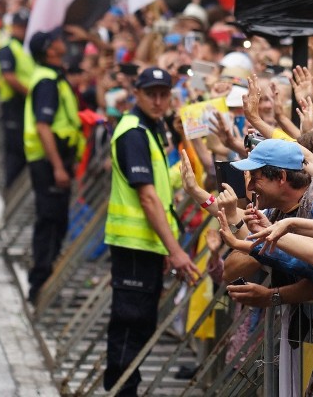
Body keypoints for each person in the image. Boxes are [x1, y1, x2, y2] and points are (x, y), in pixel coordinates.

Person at [102, 67, 200, 396]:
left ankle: (123, 388)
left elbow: (158, 185)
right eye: (151, 94)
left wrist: (187, 172)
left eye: (164, 94)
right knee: (130, 325)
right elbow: (146, 197)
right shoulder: (134, 131)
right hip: (136, 245)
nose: (158, 101)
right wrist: (176, 250)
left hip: (147, 244)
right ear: (137, 94)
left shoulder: (150, 128)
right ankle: (121, 390)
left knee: (140, 323)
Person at [24, 28, 85, 304]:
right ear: (50, 49)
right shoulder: (47, 81)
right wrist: (59, 167)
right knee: (49, 223)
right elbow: (43, 126)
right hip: (50, 163)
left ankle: (44, 284)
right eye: (58, 40)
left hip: (54, 162)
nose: (63, 43)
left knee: (55, 222)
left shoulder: (53, 77)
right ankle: (40, 287)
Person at [0, 8, 34, 188]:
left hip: (26, 104)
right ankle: (9, 187)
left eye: (25, 26)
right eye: (19, 26)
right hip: (14, 103)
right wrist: (29, 92)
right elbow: (9, 76)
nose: (23, 30)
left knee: (23, 147)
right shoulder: (8, 48)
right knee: (14, 149)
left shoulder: (27, 48)